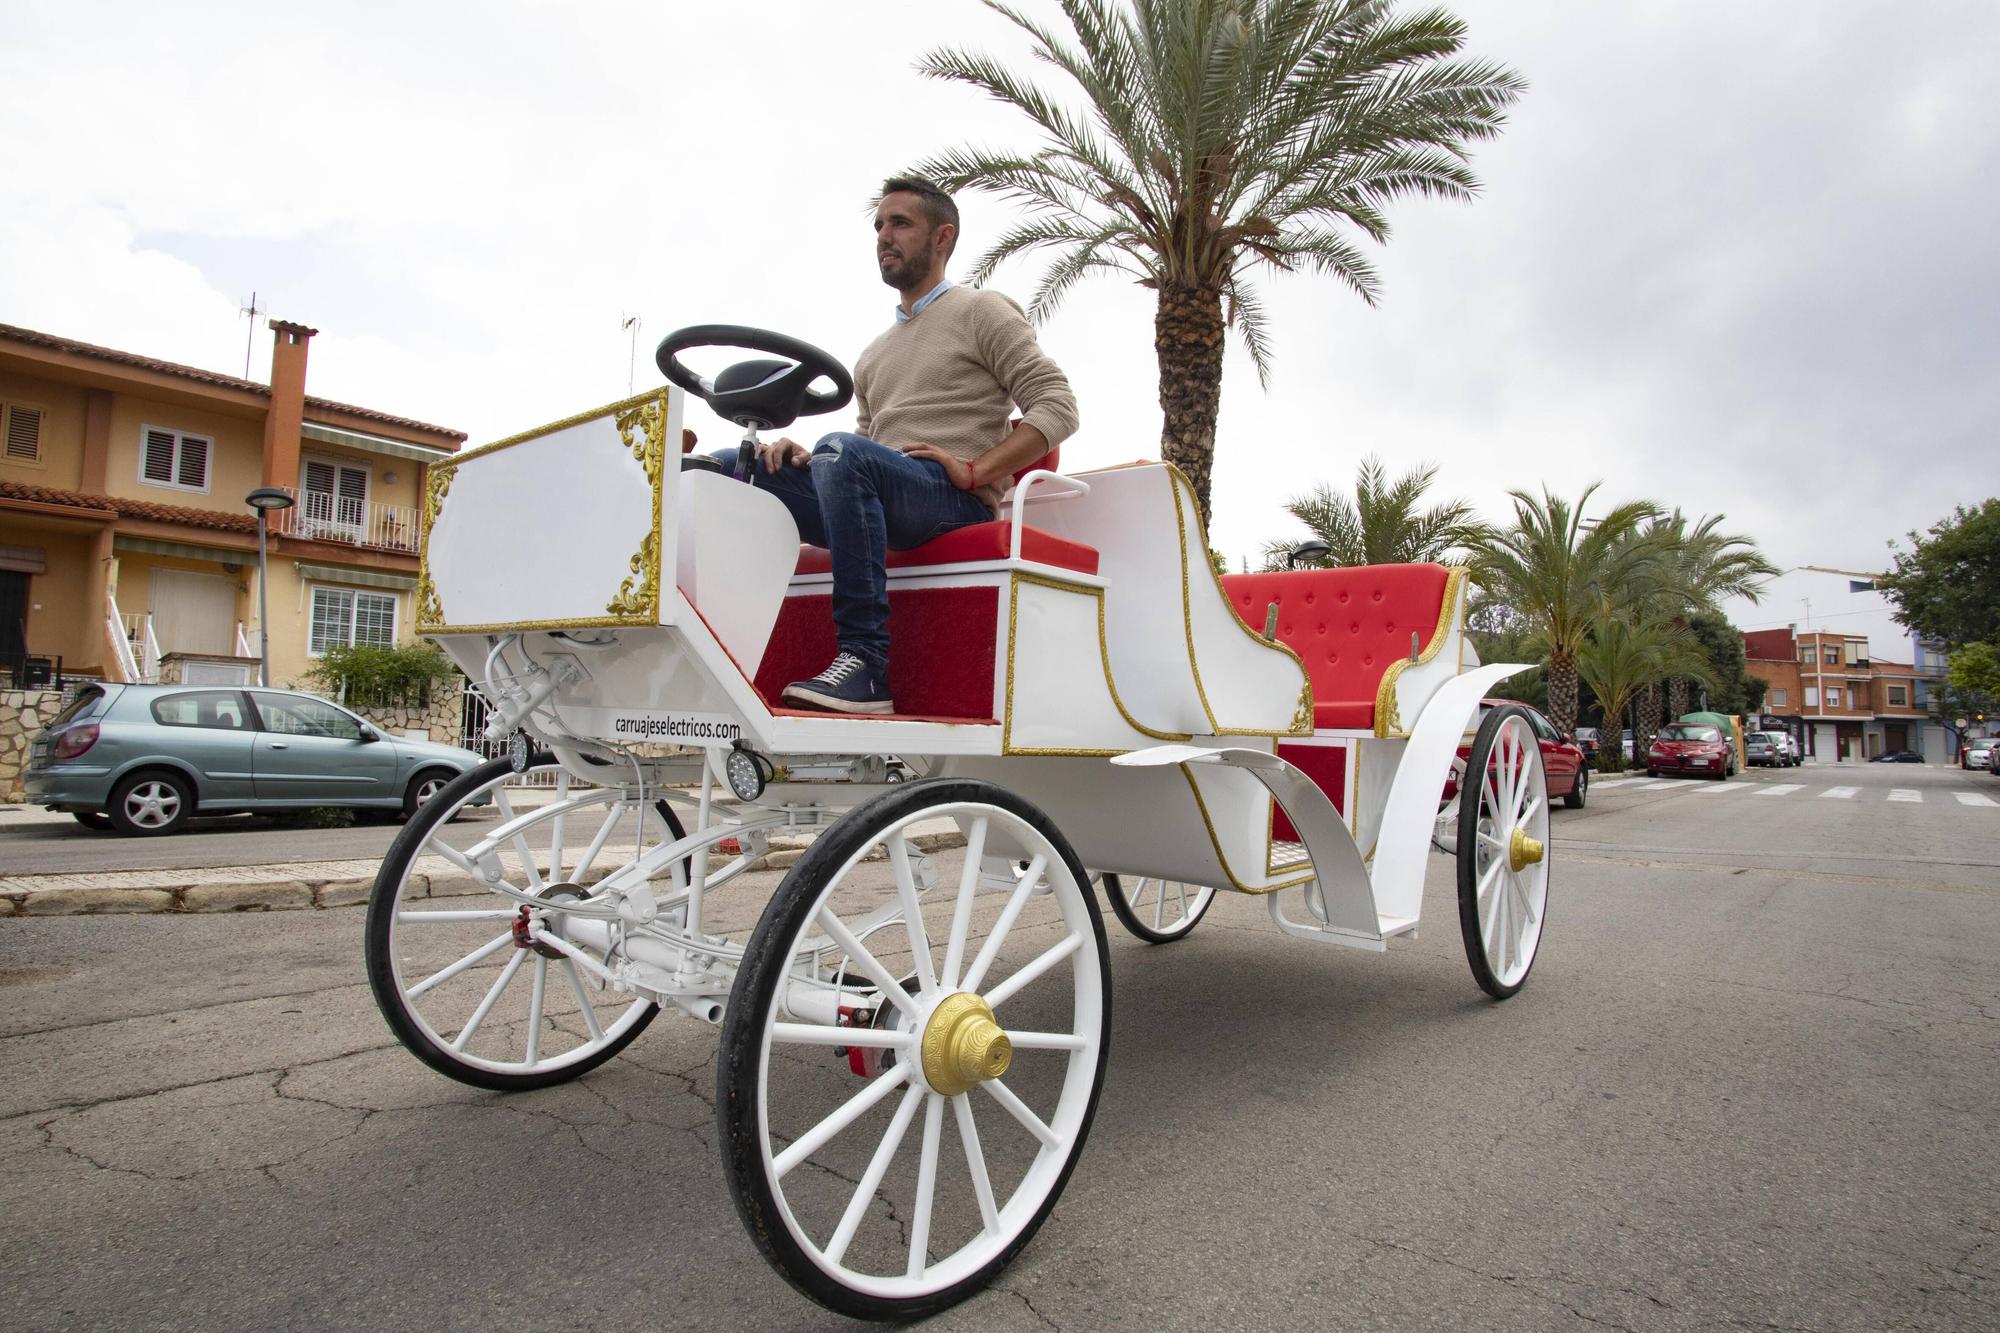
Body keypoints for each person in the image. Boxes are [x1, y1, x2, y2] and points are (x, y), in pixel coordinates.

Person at [718, 176, 1079, 714]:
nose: (884, 237)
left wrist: (976, 470)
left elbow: (1058, 405)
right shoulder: (872, 355)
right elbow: (864, 447)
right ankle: (718, 651)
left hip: (949, 501)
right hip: (881, 491)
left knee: (840, 451)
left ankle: (865, 663)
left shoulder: (983, 311)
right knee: (730, 467)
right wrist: (807, 460)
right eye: (879, 226)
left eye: (901, 224)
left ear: (942, 238)